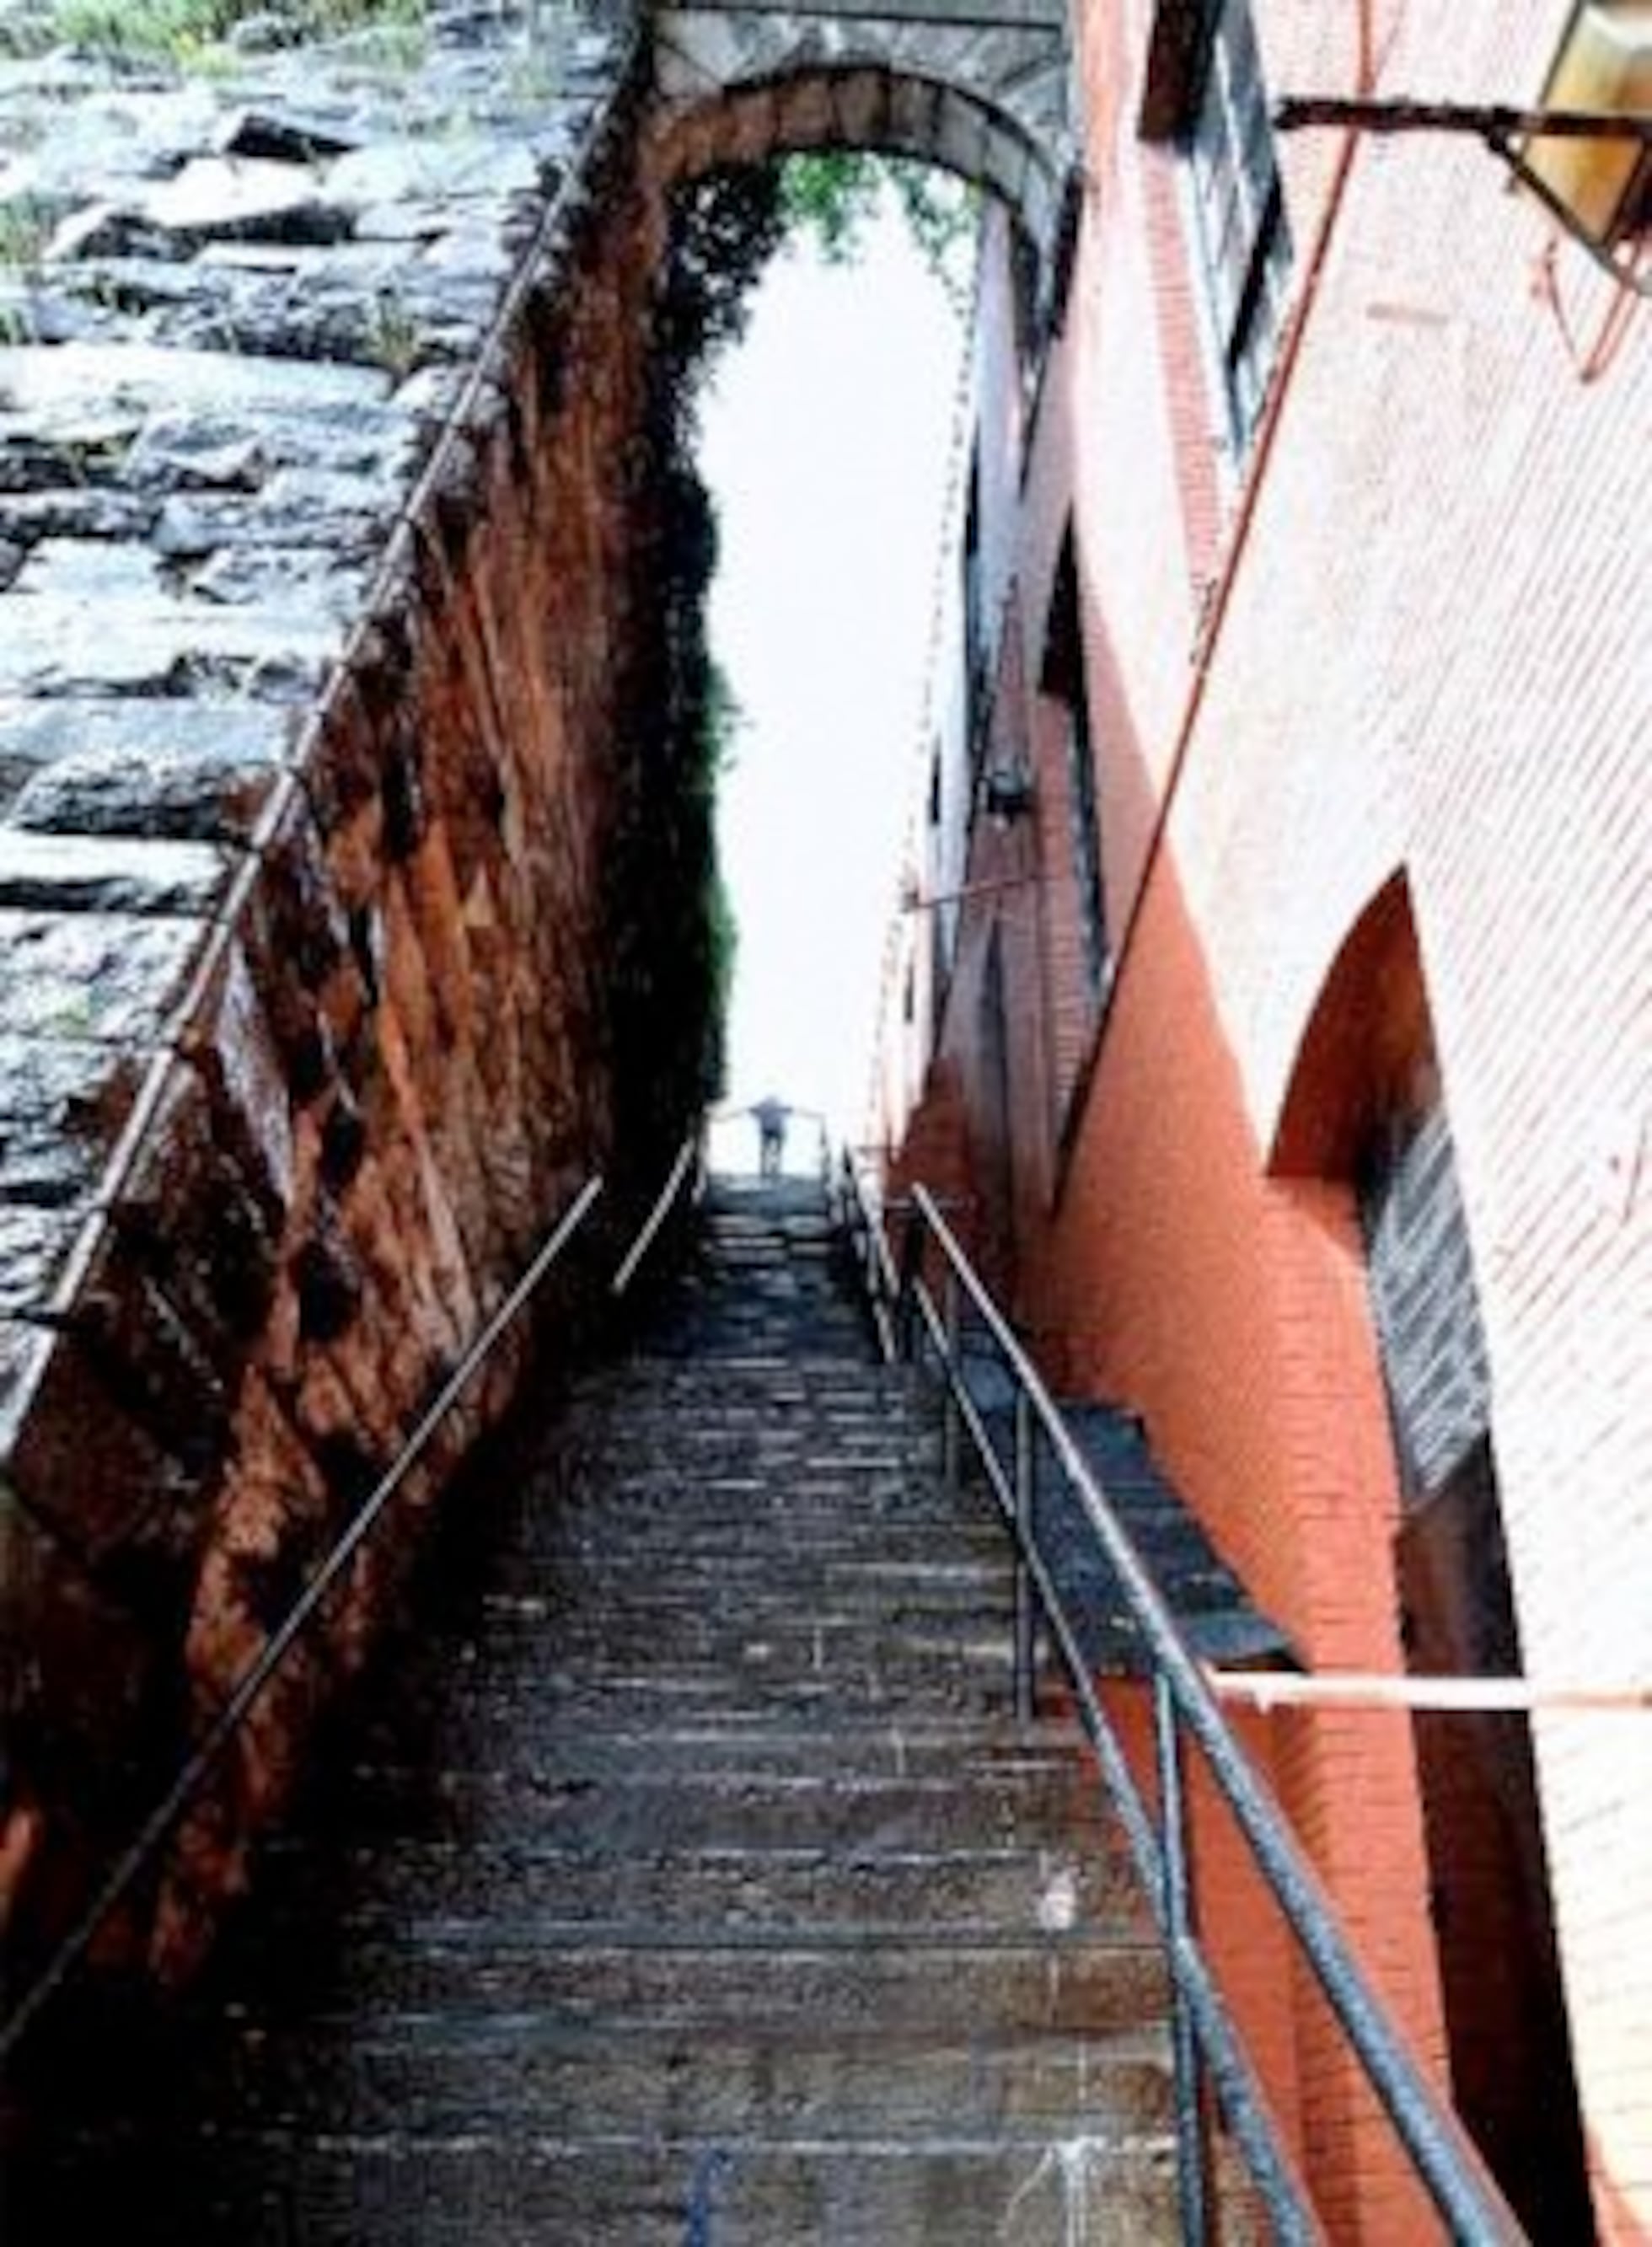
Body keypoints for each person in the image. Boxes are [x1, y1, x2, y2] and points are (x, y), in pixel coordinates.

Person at [753, 1097, 789, 1178]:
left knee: (766, 1149)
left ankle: (766, 1165)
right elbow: (788, 1110)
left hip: (768, 1130)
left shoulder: (761, 1107)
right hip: (775, 1130)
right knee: (776, 1149)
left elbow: (754, 1112)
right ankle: (774, 1163)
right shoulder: (779, 1107)